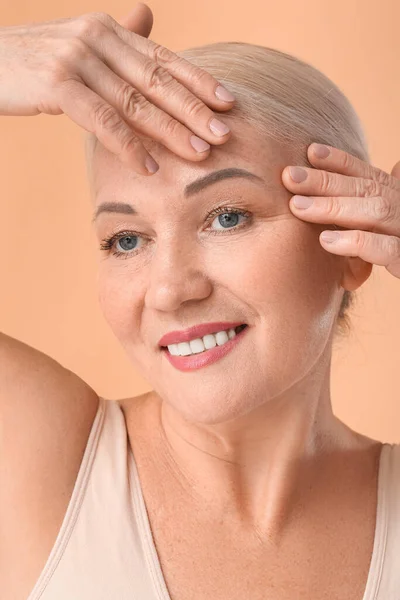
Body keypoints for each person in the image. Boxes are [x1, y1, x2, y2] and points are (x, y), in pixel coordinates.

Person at [1, 4, 399, 599]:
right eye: (126, 240)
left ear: (351, 248)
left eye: (227, 216)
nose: (169, 289)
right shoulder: (38, 456)